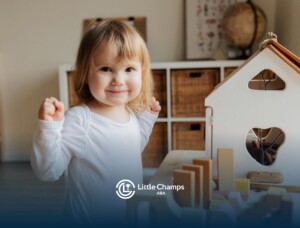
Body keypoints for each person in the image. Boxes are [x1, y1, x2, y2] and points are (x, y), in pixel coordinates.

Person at [31, 20, 161, 226]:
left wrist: (146, 120)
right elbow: (49, 171)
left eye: (129, 69)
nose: (118, 79)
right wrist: (49, 129)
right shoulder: (80, 120)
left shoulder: (130, 114)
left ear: (142, 72)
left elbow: (132, 149)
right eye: (106, 69)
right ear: (85, 73)